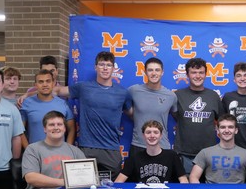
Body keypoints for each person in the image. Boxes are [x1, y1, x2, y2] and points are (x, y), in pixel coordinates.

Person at [72, 51, 132, 179]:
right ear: (95, 67)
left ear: (114, 68)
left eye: (109, 65)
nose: (105, 68)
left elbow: (132, 114)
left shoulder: (123, 92)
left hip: (111, 149)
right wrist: (28, 94)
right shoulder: (83, 87)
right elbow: (57, 90)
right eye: (101, 64)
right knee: (83, 187)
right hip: (87, 148)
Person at [173, 57, 223, 175]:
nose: (197, 76)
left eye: (201, 72)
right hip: (185, 154)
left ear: (206, 74)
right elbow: (175, 116)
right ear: (187, 74)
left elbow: (222, 121)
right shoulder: (178, 95)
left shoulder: (213, 96)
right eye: (193, 72)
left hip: (209, 154)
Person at [189, 114, 246, 184]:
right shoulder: (205, 153)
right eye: (223, 127)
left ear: (236, 130)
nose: (227, 130)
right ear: (217, 130)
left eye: (230, 127)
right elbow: (193, 177)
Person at [127, 57, 177, 158]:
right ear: (145, 72)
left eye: (157, 70)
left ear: (162, 72)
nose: (154, 73)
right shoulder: (133, 91)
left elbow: (177, 116)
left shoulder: (171, 96)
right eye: (150, 70)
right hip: (138, 145)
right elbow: (126, 110)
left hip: (162, 146)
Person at [115, 120, 188, 184]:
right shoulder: (134, 158)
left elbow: (184, 181)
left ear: (161, 136)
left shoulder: (172, 156)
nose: (152, 135)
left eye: (156, 132)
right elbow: (118, 182)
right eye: (148, 132)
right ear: (143, 135)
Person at [20, 69, 75, 145]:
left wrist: (68, 149)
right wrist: (28, 150)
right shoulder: (26, 103)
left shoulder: (63, 104)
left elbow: (71, 130)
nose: (45, 84)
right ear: (35, 85)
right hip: (35, 154)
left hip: (59, 153)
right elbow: (20, 131)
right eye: (41, 82)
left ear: (53, 83)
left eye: (48, 81)